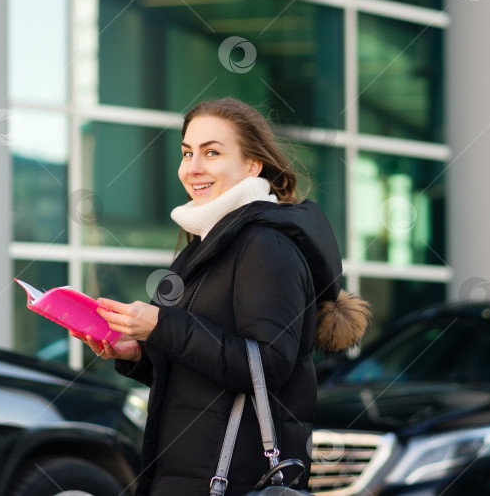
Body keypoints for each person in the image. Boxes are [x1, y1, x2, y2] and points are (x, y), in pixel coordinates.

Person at [75, 97, 371, 496]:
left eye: (212, 153)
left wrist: (163, 325)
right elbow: (202, 373)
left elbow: (267, 367)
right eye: (187, 153)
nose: (193, 167)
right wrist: (138, 352)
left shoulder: (265, 245)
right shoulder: (205, 246)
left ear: (252, 165)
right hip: (191, 473)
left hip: (234, 479)